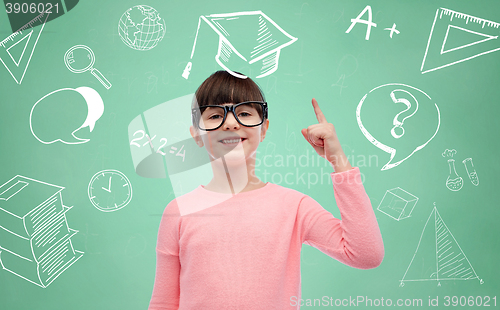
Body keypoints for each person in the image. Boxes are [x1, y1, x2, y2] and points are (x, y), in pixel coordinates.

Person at [148, 71, 384, 309]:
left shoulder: (294, 206)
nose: (230, 123)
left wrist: (338, 161)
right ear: (196, 135)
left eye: (244, 113)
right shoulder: (178, 212)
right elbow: (164, 302)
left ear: (264, 128)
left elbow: (366, 255)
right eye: (215, 115)